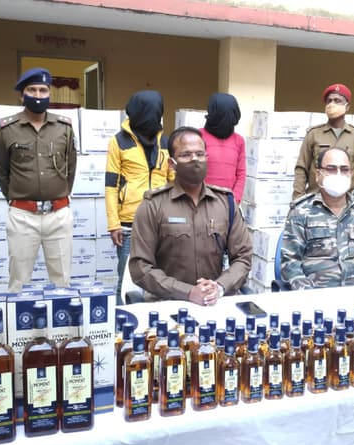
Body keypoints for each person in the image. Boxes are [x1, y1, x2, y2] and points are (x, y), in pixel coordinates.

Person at [129, 127, 252, 304]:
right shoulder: (153, 205)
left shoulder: (226, 203)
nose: (194, 159)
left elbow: (243, 257)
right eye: (186, 155)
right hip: (168, 302)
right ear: (172, 164)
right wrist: (187, 292)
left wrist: (220, 286)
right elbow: (140, 267)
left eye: (200, 154)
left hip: (213, 302)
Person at [0, 68, 77, 292]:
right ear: (22, 95)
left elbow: (71, 169)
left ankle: (61, 318)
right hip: (23, 216)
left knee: (62, 282)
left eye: (43, 90)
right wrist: (20, 199)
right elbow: (2, 171)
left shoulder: (64, 127)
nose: (38, 95)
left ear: (49, 94)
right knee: (19, 283)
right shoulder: (5, 128)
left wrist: (57, 195)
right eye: (32, 90)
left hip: (58, 215)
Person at [281, 148, 354, 290]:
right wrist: (307, 293)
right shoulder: (300, 212)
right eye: (331, 169)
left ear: (351, 174)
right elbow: (290, 263)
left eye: (344, 170)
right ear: (318, 175)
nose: (338, 174)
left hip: (353, 295)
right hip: (314, 295)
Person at [105, 90, 173, 304]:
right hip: (128, 224)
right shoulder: (118, 142)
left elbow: (173, 181)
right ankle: (121, 321)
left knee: (161, 279)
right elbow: (111, 186)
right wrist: (113, 224)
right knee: (126, 280)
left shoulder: (166, 143)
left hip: (161, 222)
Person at [293, 83, 354, 200]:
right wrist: (298, 198)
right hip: (316, 198)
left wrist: (348, 184)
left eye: (337, 101)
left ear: (347, 107)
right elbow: (301, 168)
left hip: (345, 200)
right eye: (329, 101)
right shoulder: (314, 134)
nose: (332, 104)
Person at [200, 92, 246, 203]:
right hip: (201, 201)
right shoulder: (198, 137)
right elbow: (191, 170)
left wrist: (235, 200)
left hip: (229, 202)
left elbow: (241, 174)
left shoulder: (239, 141)